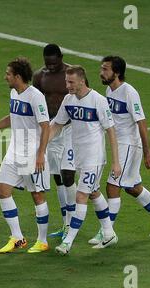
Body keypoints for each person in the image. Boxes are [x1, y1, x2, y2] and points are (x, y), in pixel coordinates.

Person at [87, 56, 150, 244]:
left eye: (106, 69)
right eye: (101, 68)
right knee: (132, 187)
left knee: (112, 186)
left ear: (116, 73)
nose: (101, 72)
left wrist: (147, 152)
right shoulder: (109, 89)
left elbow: (141, 122)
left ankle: (107, 232)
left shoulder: (129, 92)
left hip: (129, 144)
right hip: (120, 145)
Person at [0, 57, 51, 254]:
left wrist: (41, 154)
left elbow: (46, 126)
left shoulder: (35, 97)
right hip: (14, 152)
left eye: (8, 74)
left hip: (32, 153)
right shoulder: (14, 93)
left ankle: (42, 241)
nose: (5, 77)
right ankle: (17, 237)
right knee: (2, 191)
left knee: (37, 195)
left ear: (18, 76)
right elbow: (13, 116)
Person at [49, 65, 121, 255]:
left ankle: (68, 242)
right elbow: (57, 124)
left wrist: (116, 162)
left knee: (81, 196)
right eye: (66, 81)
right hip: (80, 158)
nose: (68, 85)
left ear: (82, 81)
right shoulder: (68, 99)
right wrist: (40, 145)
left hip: (94, 158)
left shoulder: (98, 100)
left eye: (71, 82)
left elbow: (111, 130)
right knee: (94, 192)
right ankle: (109, 233)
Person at [33, 44, 76, 239]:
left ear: (61, 58)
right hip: (50, 128)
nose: (50, 66)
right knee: (57, 176)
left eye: (53, 63)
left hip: (70, 128)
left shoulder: (71, 74)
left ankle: (71, 223)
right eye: (46, 63)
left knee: (68, 176)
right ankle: (65, 222)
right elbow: (33, 100)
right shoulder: (39, 76)